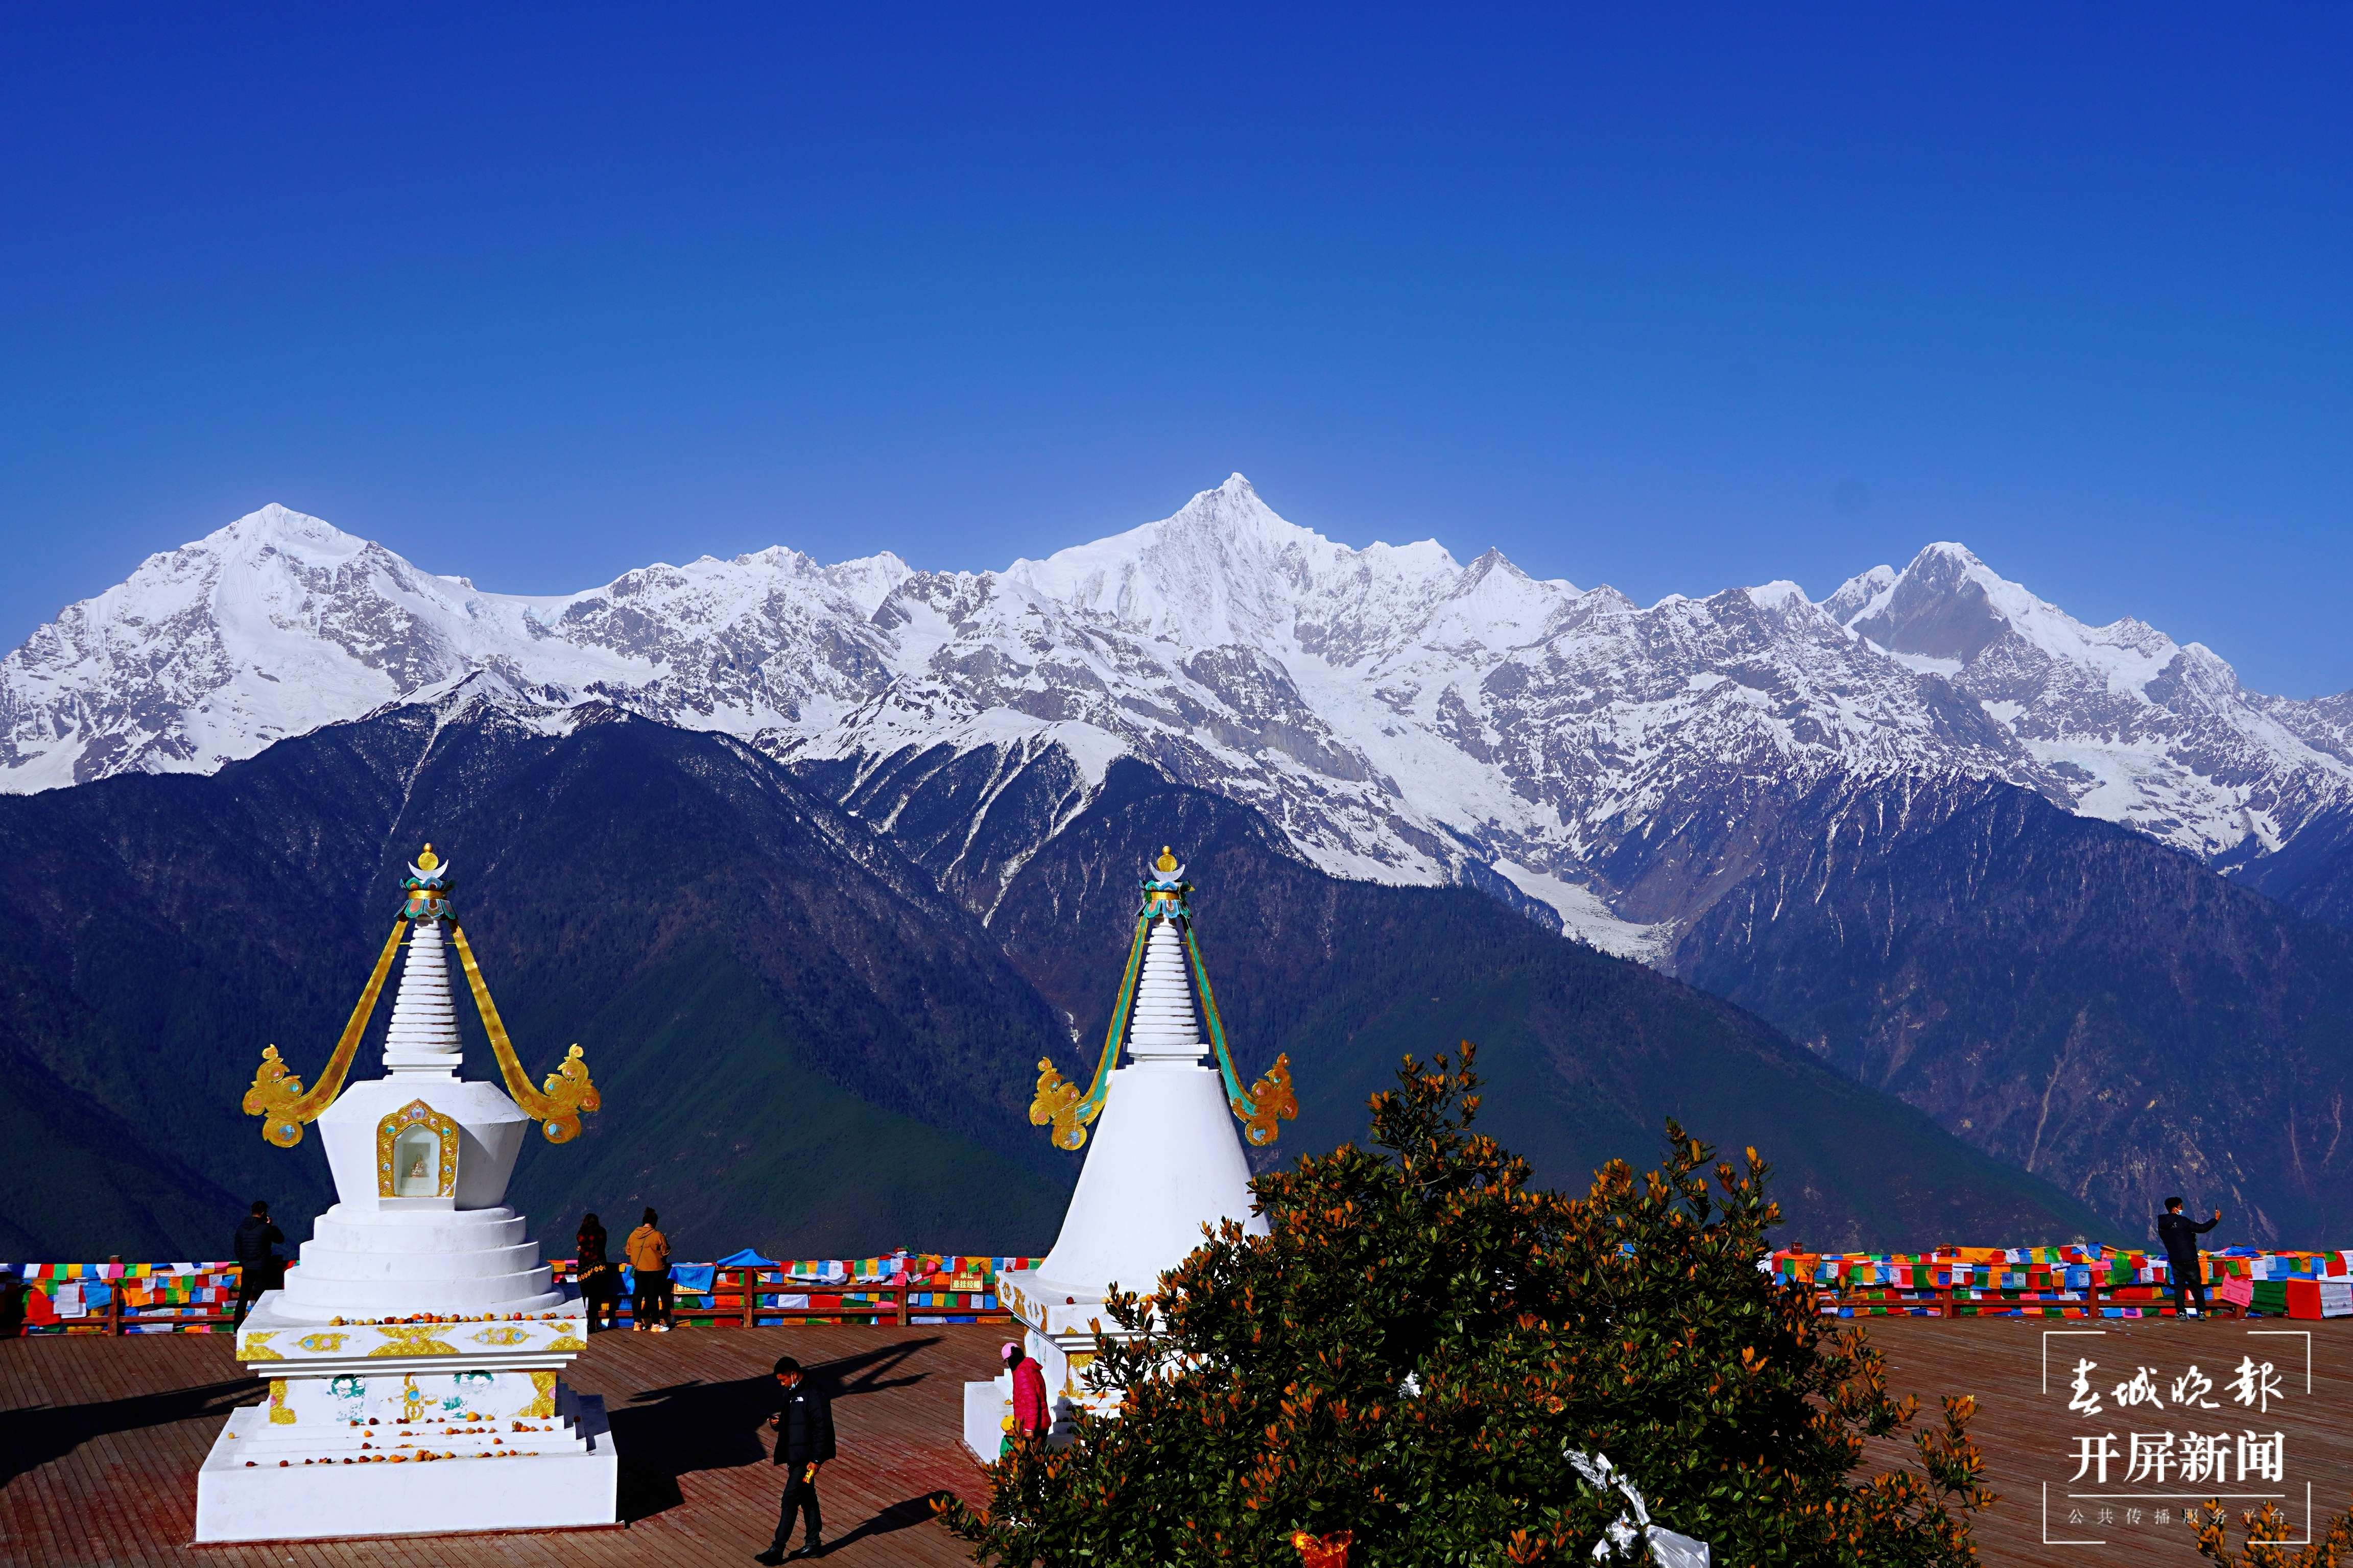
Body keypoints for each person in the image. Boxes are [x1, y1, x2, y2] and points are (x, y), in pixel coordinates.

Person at [755, 1355, 836, 1563]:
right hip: (794, 1457)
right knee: (808, 1497)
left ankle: (777, 1548)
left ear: (793, 1374)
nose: (782, 1384)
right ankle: (813, 1544)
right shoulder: (791, 1394)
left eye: (783, 1380)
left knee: (790, 1500)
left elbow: (822, 1428)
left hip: (806, 1460)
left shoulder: (814, 1394)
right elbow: (794, 1422)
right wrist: (778, 1424)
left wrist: (817, 1460)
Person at [2159, 1196, 2222, 1317]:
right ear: (2175, 1208)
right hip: (2190, 1259)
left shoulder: (2162, 1224)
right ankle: (2202, 1311)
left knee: (2179, 1287)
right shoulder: (2183, 1221)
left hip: (2175, 1259)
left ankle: (2181, 1312)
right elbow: (2201, 1228)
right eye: (2180, 1206)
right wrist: (2215, 1219)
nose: (2182, 1208)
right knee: (2196, 1286)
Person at [232, 1200, 287, 1324]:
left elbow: (237, 1248)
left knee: (243, 1297)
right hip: (262, 1267)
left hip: (247, 1267)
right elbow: (280, 1239)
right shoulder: (265, 1228)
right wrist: (271, 1226)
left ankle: (237, 1327)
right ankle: (258, 1324)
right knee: (261, 1298)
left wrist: (244, 1262)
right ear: (263, 1213)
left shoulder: (241, 1228)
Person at [1002, 1339, 1051, 1455]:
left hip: (1034, 1428)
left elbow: (1031, 1402)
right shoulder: (1030, 1367)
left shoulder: (1022, 1373)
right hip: (1040, 1424)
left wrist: (1029, 1428)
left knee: (1030, 1463)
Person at [626, 1207, 672, 1332]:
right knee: (653, 1297)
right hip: (655, 1270)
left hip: (639, 1269)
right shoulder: (658, 1236)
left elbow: (628, 1251)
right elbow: (665, 1252)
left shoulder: (634, 1235)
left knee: (638, 1295)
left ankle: (637, 1323)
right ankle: (655, 1324)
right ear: (655, 1223)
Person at [576, 1213, 620, 1333]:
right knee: (595, 1298)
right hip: (599, 1268)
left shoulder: (582, 1234)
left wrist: (582, 1249)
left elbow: (584, 1244)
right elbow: (600, 1246)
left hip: (584, 1269)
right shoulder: (602, 1233)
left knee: (583, 1297)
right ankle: (592, 1324)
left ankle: (580, 1324)